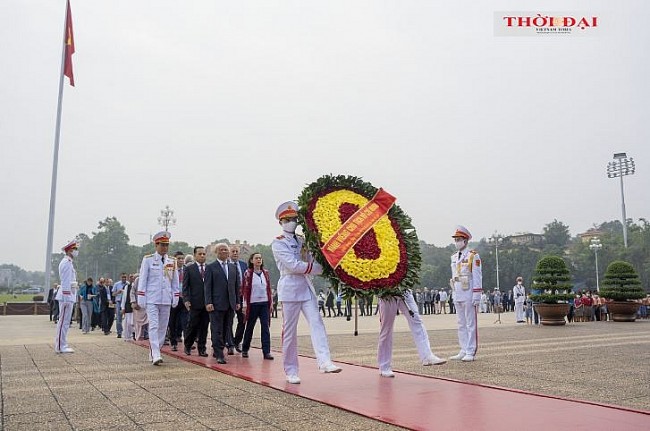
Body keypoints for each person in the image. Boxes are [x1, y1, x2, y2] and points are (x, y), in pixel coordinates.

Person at [271, 201, 341, 384]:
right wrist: (321, 269)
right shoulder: (278, 243)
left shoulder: (302, 240)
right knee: (290, 332)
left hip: (305, 285)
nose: (291, 222)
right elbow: (294, 265)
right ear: (280, 222)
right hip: (289, 287)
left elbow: (310, 259)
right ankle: (291, 370)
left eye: (294, 219)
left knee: (317, 322)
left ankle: (325, 361)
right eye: (287, 219)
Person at [377, 291, 446, 377]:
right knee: (386, 329)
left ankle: (427, 355)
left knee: (416, 321)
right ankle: (384, 366)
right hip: (386, 294)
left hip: (404, 292)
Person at [137, 231, 180, 365]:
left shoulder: (172, 261)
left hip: (166, 298)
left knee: (162, 327)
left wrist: (175, 296)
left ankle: (155, 351)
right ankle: (156, 353)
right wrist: (141, 296)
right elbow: (143, 279)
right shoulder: (148, 259)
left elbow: (175, 281)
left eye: (166, 245)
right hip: (152, 298)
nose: (164, 248)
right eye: (162, 245)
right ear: (156, 245)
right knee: (154, 326)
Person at [449, 226, 482, 362]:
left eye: (459, 239)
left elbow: (477, 275)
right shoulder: (454, 257)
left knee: (470, 323)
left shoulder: (473, 256)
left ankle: (470, 350)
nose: (457, 242)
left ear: (466, 241)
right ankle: (463, 349)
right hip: (457, 291)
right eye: (455, 240)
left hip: (468, 292)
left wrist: (476, 294)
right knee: (461, 323)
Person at [204, 243, 240, 364]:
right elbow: (207, 287)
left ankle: (218, 348)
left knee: (226, 329)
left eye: (226, 250)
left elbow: (236, 286)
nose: (224, 252)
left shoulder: (233, 267)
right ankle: (219, 354)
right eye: (222, 250)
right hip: (216, 304)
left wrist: (237, 302)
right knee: (216, 329)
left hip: (230, 304)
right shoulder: (211, 267)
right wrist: (208, 302)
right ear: (217, 252)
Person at [241, 252, 274, 360]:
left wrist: (271, 303)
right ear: (251, 260)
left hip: (264, 303)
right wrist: (245, 305)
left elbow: (268, 289)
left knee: (265, 327)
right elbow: (245, 290)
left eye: (260, 258)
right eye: (256, 258)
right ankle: (245, 349)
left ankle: (266, 352)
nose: (259, 260)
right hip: (253, 304)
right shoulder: (248, 273)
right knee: (250, 327)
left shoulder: (266, 273)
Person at [182, 246, 210, 357]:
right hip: (194, 302)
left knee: (204, 326)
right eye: (200, 254)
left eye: (204, 254)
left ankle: (202, 348)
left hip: (207, 303)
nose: (202, 256)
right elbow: (185, 286)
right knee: (192, 325)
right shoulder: (189, 269)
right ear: (195, 255)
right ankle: (188, 345)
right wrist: (186, 300)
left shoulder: (209, 268)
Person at [54, 240, 79, 353]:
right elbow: (65, 281)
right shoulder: (66, 262)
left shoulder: (69, 262)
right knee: (63, 321)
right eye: (75, 249)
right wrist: (66, 296)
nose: (76, 252)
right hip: (66, 296)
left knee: (65, 322)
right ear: (69, 250)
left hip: (68, 295)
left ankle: (63, 344)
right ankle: (60, 346)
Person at [229, 244, 248, 354]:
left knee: (242, 320)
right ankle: (229, 343)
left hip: (242, 297)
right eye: (233, 251)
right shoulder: (226, 265)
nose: (235, 253)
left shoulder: (243, 265)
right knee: (229, 321)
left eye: (237, 251)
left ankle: (236, 341)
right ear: (229, 253)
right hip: (230, 297)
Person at [168, 251, 187, 352]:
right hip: (173, 299)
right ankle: (173, 342)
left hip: (184, 298)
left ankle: (188, 342)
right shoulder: (170, 270)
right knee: (173, 322)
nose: (181, 260)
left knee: (185, 322)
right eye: (178, 258)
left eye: (182, 258)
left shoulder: (187, 270)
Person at [112, 273, 129, 338]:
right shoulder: (117, 284)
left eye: (125, 277)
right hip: (119, 301)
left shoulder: (128, 284)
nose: (124, 278)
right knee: (119, 318)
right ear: (120, 277)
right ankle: (119, 332)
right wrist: (118, 292)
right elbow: (113, 294)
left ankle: (127, 332)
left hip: (126, 302)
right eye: (122, 277)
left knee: (128, 317)